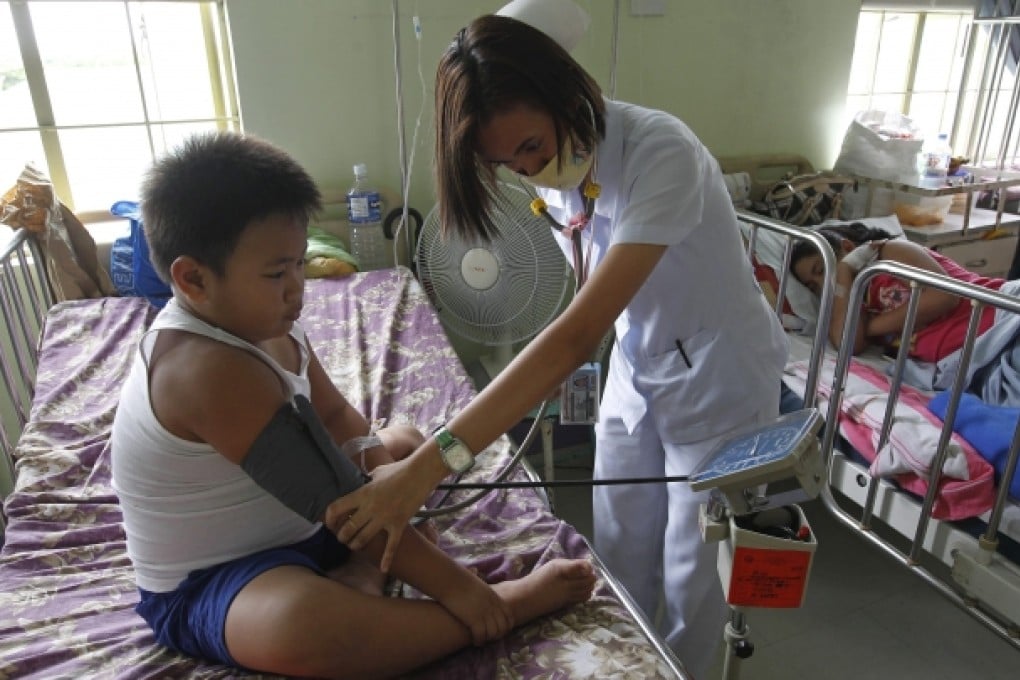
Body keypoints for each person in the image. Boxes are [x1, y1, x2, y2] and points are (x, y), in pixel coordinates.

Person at [324, 9, 789, 678]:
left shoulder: (663, 153)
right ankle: (626, 663)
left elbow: (572, 334)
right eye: (505, 161)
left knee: (695, 574)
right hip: (641, 363)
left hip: (720, 378)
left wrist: (428, 467)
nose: (527, 169)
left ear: (570, 96)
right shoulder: (563, 172)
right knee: (621, 544)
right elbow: (587, 293)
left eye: (532, 148)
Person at [109, 131, 596, 679]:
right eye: (276, 274)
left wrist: (387, 472)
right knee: (305, 628)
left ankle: (363, 575)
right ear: (193, 278)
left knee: (407, 446)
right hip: (221, 578)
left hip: (306, 525)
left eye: (299, 264)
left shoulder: (265, 325)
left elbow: (338, 419)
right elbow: (338, 498)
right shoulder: (205, 370)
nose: (296, 289)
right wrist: (466, 592)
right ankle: (502, 609)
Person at [789, 222, 1006, 362]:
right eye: (813, 286)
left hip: (999, 319)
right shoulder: (851, 302)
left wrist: (866, 328)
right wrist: (844, 279)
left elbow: (944, 296)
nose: (824, 283)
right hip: (977, 356)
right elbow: (848, 345)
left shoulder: (888, 252)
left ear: (847, 247)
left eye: (821, 269)